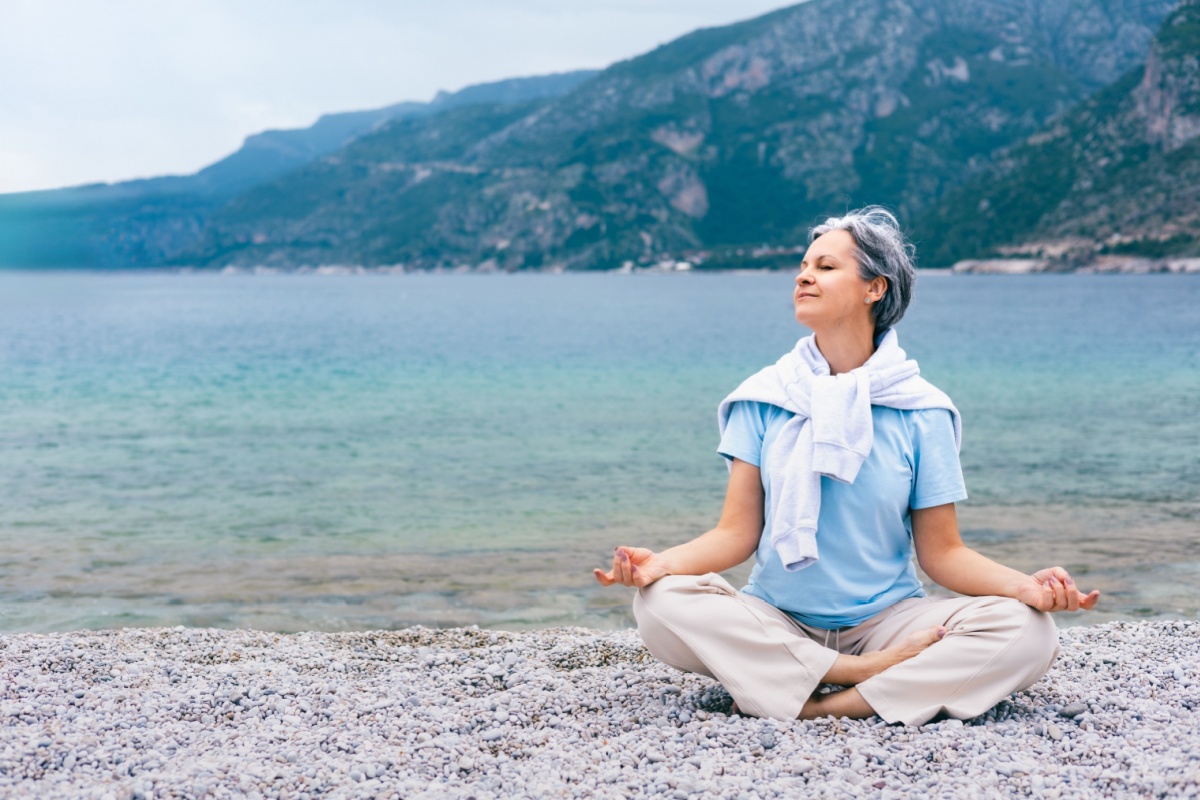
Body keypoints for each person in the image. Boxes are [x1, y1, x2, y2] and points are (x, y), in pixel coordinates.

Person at [593, 207, 1100, 725]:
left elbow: (943, 554)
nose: (803, 275)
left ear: (873, 288)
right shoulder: (764, 399)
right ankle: (859, 674)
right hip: (775, 617)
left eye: (826, 267)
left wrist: (1025, 589)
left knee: (1029, 631)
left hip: (890, 619)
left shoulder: (922, 411)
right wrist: (660, 565)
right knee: (659, 602)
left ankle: (823, 704)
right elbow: (735, 535)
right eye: (804, 265)